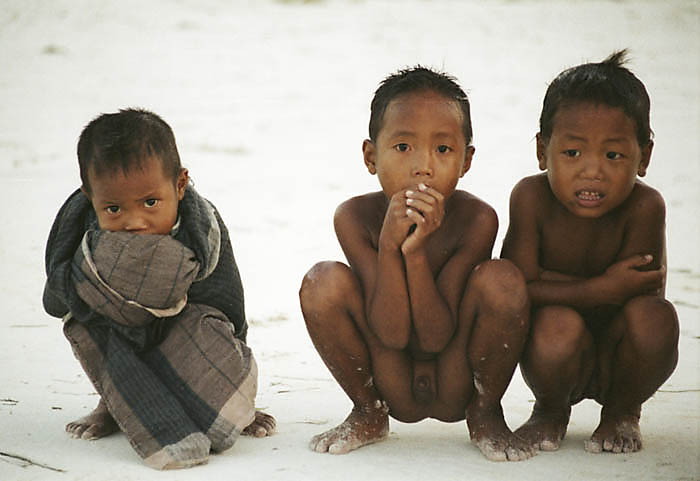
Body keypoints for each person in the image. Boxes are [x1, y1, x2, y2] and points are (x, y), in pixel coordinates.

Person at [299, 66, 534, 462]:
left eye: (443, 150)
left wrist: (415, 253)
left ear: (466, 160)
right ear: (371, 156)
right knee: (322, 281)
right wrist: (390, 248)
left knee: (503, 279)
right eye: (403, 147)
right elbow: (390, 333)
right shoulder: (353, 218)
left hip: (455, 377)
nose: (423, 166)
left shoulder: (478, 220)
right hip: (389, 375)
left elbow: (435, 337)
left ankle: (486, 412)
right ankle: (367, 411)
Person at [43, 108, 275, 469]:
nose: (134, 222)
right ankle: (113, 403)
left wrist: (235, 386)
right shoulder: (80, 228)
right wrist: (88, 295)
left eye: (151, 203)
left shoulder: (200, 231)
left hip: (185, 318)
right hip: (114, 324)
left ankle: (227, 402)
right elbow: (58, 290)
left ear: (180, 185)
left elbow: (228, 302)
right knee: (89, 327)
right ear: (90, 196)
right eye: (113, 208)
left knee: (209, 331)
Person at [501, 50, 679, 454]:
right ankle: (549, 410)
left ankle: (622, 411)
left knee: (656, 319)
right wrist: (598, 289)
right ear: (542, 150)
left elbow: (641, 299)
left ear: (644, 156)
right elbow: (516, 289)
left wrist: (555, 282)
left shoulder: (645, 207)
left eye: (613, 155)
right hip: (556, 351)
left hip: (622, 353)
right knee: (555, 325)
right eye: (572, 153)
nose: (592, 170)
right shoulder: (530, 198)